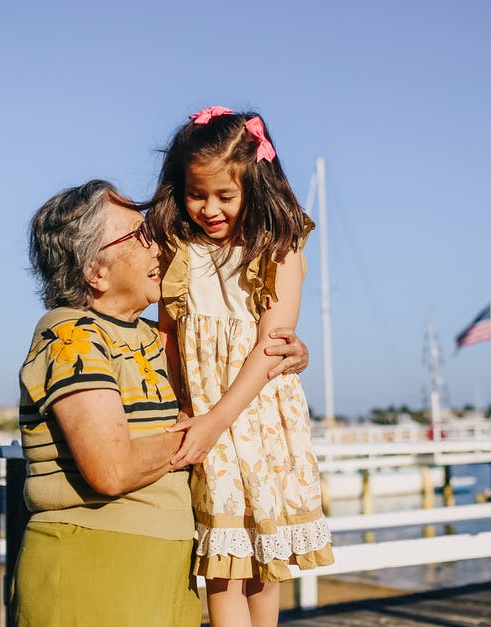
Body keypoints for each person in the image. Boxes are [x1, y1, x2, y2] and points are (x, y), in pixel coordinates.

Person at [12, 179, 311, 627]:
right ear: (96, 271)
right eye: (139, 233)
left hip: (164, 576)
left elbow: (222, 365)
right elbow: (111, 468)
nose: (158, 244)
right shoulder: (71, 335)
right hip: (94, 570)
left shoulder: (152, 340)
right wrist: (203, 430)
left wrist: (286, 356)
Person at [146, 106, 334, 627]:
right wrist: (182, 408)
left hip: (255, 418)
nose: (209, 208)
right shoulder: (180, 250)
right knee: (222, 570)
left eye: (225, 196)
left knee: (260, 568)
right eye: (195, 193)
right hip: (201, 416)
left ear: (256, 184)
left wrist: (216, 420)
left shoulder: (277, 249)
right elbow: (166, 336)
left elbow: (272, 347)